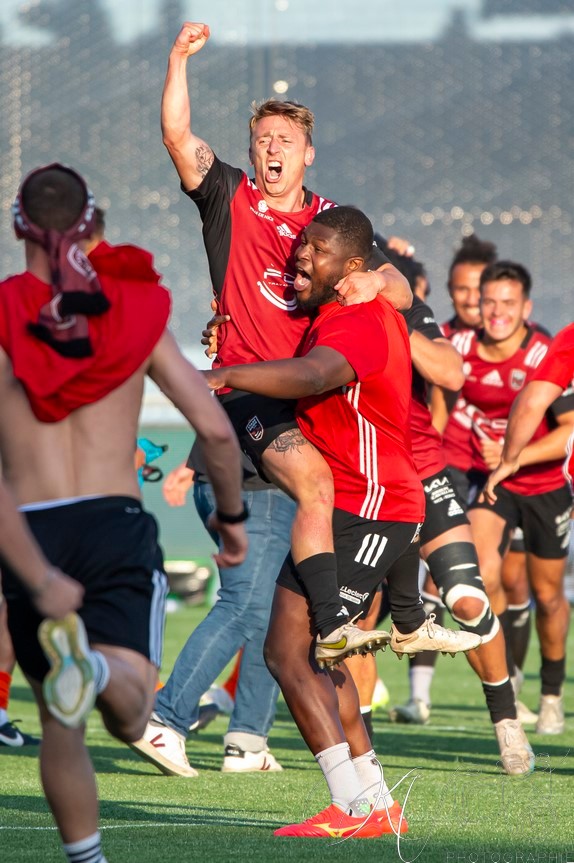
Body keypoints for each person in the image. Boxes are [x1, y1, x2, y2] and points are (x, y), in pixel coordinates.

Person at [202, 206, 481, 837]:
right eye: (303, 243)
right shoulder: (337, 307)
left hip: (371, 507)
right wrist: (230, 334)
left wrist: (224, 374)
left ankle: (355, 806)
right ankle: (373, 802)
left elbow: (313, 374)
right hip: (362, 505)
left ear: (353, 266)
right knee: (306, 655)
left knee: (291, 653)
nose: (302, 254)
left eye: (317, 248)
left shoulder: (356, 318)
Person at [0, 163, 246, 863]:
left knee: (60, 718)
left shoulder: (2, 314)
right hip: (112, 521)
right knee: (132, 707)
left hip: (31, 527)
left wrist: (34, 574)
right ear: (89, 225)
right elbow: (216, 430)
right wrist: (230, 524)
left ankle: (87, 857)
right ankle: (99, 670)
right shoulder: (133, 310)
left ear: (19, 227)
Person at [160, 21, 414, 667]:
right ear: (252, 150)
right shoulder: (230, 196)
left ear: (309, 154)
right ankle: (334, 623)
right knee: (315, 487)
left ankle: (399, 617)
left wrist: (374, 280)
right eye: (263, 138)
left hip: (314, 395)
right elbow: (178, 137)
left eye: (286, 140)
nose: (272, 148)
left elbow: (403, 289)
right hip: (252, 391)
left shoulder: (330, 221)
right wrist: (179, 58)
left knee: (388, 481)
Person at [370, 242, 534, 774]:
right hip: (361, 481)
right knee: (358, 620)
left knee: (467, 596)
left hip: (424, 471)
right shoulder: (319, 313)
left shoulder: (410, 313)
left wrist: (391, 312)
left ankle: (507, 721)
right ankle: (360, 753)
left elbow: (448, 377)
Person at [452, 262, 574, 736]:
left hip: (546, 487)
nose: (497, 312)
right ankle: (506, 674)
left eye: (508, 303)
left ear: (527, 308)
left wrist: (513, 455)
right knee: (481, 575)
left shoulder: (545, 351)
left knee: (547, 595)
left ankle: (552, 693)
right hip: (495, 483)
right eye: (489, 301)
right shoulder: (461, 348)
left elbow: (567, 431)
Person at [131, 442, 295, 776]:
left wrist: (191, 462)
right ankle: (165, 719)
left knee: (267, 612)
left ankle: (248, 742)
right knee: (243, 606)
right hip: (258, 487)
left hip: (229, 480)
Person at [432, 235, 537, 722]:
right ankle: (489, 687)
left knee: (518, 581)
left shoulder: (535, 348)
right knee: (475, 577)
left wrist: (515, 453)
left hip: (520, 476)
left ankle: (525, 680)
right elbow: (433, 411)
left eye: (485, 292)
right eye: (465, 291)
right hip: (459, 471)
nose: (476, 302)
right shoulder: (445, 343)